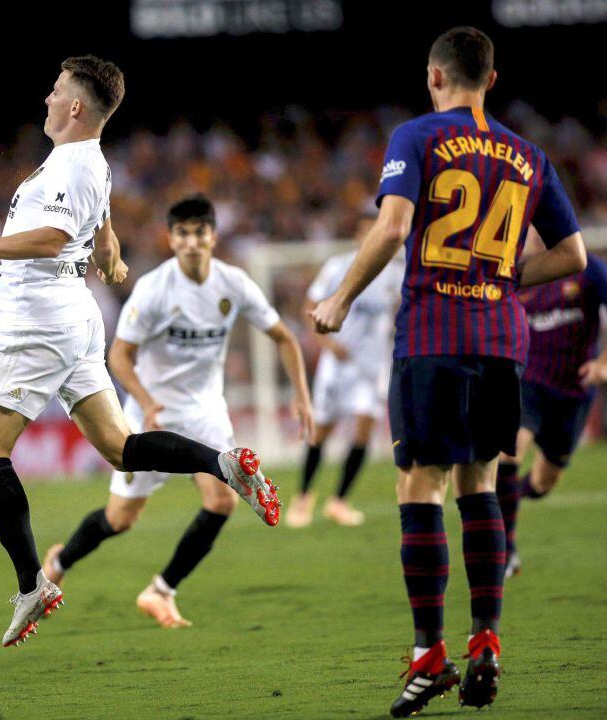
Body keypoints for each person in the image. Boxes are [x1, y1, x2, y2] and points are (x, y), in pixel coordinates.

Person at [0, 56, 283, 648]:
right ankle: (221, 464)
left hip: (36, 320)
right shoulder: (90, 159)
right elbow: (98, 218)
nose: (45, 97)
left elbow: (58, 235)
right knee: (119, 449)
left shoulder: (71, 163)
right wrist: (111, 251)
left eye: (56, 90)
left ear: (75, 108)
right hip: (76, 318)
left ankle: (31, 586)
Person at [309, 27, 586, 717]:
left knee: (420, 482)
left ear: (435, 76)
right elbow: (574, 255)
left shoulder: (417, 135)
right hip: (503, 338)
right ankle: (486, 640)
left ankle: (429, 655)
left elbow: (395, 226)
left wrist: (339, 298)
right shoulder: (528, 155)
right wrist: (506, 275)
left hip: (433, 332)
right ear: (490, 80)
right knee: (482, 480)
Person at [41, 194, 312, 628]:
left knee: (222, 501)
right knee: (120, 519)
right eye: (182, 234)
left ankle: (161, 590)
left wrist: (301, 394)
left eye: (199, 232)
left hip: (206, 411)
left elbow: (283, 336)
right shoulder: (154, 289)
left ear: (213, 236)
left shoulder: (233, 283)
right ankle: (60, 562)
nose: (191, 242)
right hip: (154, 417)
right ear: (171, 239)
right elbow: (121, 356)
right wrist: (146, 402)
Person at [498, 244, 607, 578]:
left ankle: (498, 500)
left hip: (573, 391)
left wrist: (603, 363)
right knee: (509, 453)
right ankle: (506, 551)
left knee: (544, 482)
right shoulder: (515, 271)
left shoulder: (589, 268)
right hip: (526, 383)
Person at [290, 210, 402, 528]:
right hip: (338, 366)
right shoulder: (338, 267)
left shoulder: (395, 273)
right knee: (322, 430)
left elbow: (399, 310)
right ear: (356, 236)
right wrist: (327, 345)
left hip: (372, 366)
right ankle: (303, 497)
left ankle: (339, 501)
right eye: (365, 232)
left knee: (364, 429)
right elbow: (308, 308)